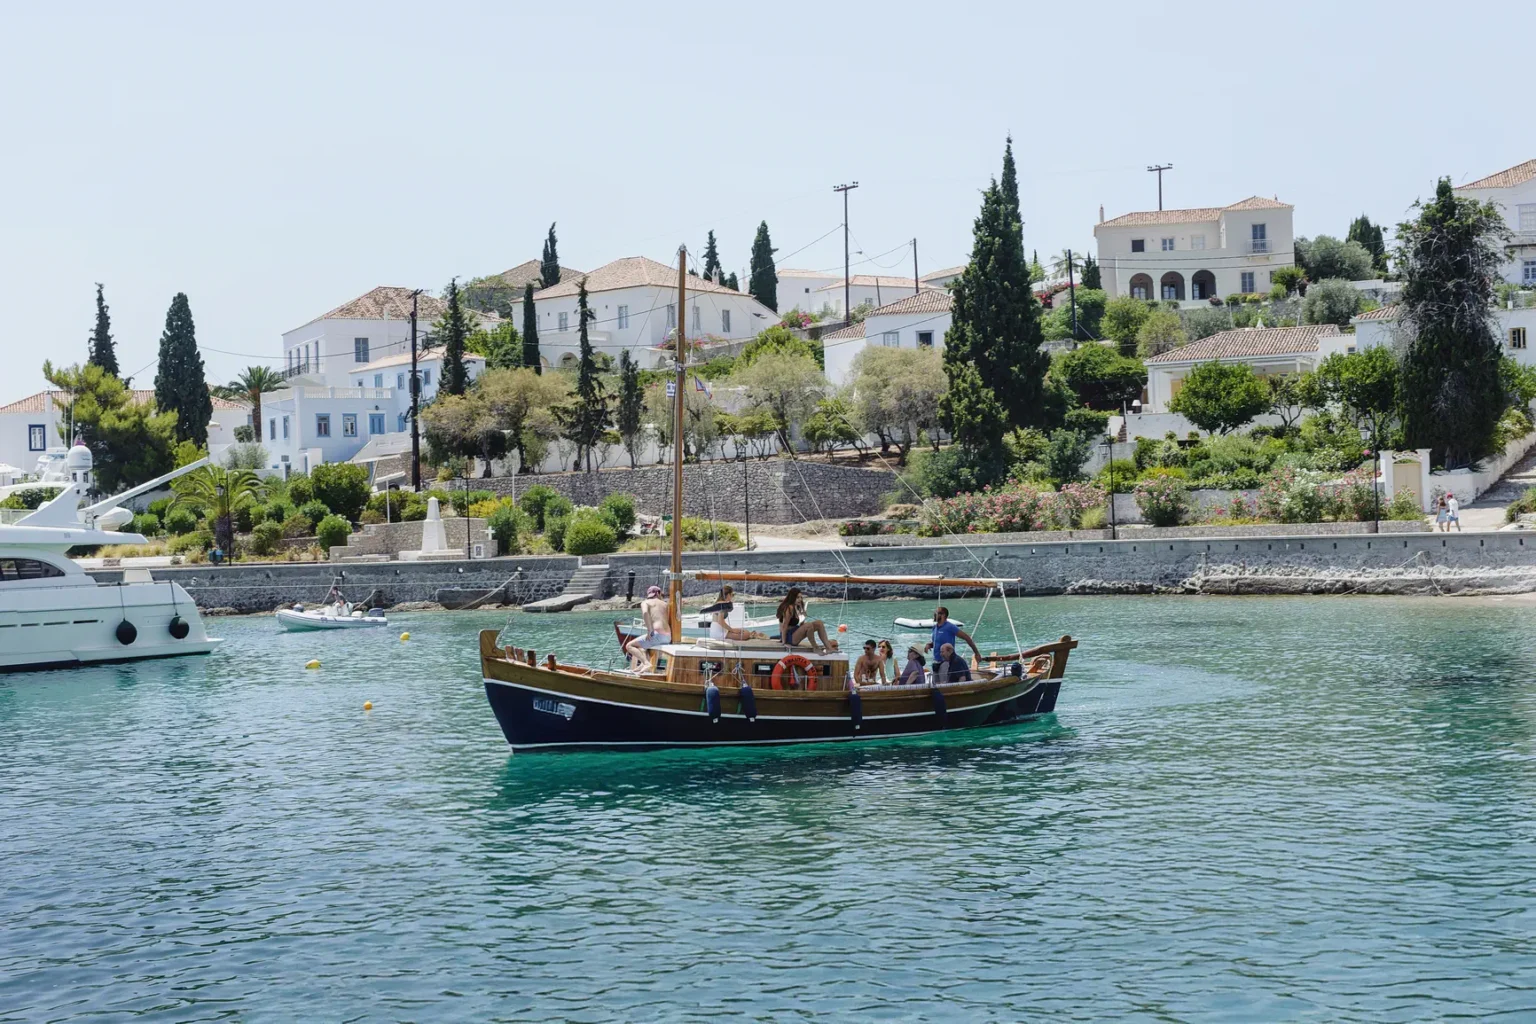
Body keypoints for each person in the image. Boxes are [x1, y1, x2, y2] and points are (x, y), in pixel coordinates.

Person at [776, 587, 836, 653]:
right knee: (808, 625)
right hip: (788, 637)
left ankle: (829, 648)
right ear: (792, 597)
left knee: (819, 623)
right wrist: (784, 643)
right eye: (797, 597)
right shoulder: (789, 608)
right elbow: (784, 626)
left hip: (794, 632)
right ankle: (815, 648)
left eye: (801, 597)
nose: (800, 599)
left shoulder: (797, 606)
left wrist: (803, 615)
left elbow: (801, 625)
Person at [625, 585, 670, 670]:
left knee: (629, 646)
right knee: (642, 646)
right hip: (668, 637)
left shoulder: (645, 602)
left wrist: (650, 630)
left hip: (657, 635)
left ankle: (646, 663)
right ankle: (643, 664)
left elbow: (645, 613)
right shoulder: (665, 604)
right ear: (658, 593)